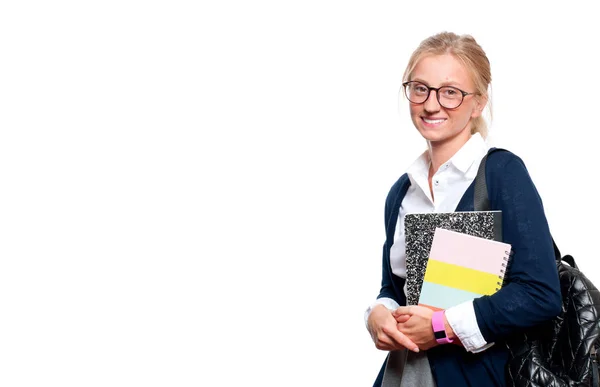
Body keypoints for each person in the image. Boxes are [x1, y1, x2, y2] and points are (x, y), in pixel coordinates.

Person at [364, 32, 562, 387]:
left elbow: (540, 293)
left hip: (476, 376)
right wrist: (378, 314)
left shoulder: (501, 174)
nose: (431, 104)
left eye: (450, 92)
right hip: (402, 374)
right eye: (420, 88)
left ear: (478, 103)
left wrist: (441, 328)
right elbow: (394, 290)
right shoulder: (401, 192)